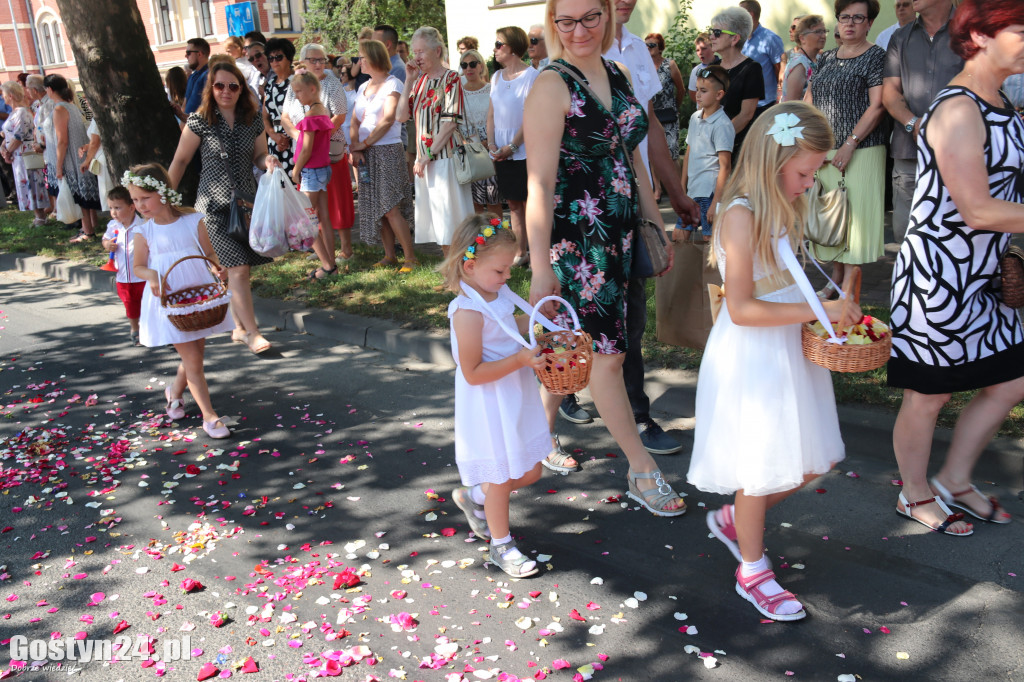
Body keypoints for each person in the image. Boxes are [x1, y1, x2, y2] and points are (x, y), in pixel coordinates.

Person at [688, 102, 856, 622]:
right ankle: (752, 570)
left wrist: (828, 307)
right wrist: (819, 308)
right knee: (762, 465)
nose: (809, 182)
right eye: (805, 171)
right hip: (755, 354)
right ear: (774, 157)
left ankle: (739, 519)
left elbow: (786, 276)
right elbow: (740, 308)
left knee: (812, 457)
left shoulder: (782, 204)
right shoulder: (740, 213)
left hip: (788, 342)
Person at [525, 0, 685, 514]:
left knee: (573, 349)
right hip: (576, 244)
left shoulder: (616, 72)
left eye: (590, 17)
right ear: (553, 25)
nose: (579, 30)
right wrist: (539, 265)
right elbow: (540, 184)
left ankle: (532, 438)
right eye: (566, 21)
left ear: (609, 17)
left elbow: (631, 156)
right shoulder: (552, 84)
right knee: (608, 358)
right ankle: (642, 471)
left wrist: (655, 225)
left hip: (618, 237)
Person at [888, 0, 1024, 536]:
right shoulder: (959, 108)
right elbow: (977, 209)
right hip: (939, 277)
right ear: (982, 35)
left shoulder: (1003, 103)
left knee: (1012, 381)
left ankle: (954, 479)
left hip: (985, 274)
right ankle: (913, 493)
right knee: (929, 394)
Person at [594, 0, 700, 458]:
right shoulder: (556, 72)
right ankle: (547, 422)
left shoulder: (634, 54)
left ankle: (636, 413)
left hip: (627, 206)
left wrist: (671, 197)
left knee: (630, 319)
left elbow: (647, 127)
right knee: (582, 322)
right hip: (580, 218)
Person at [444, 214, 549, 578]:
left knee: (532, 469)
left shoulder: (495, 293)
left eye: (509, 270)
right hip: (489, 403)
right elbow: (472, 373)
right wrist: (520, 358)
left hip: (513, 393)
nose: (508, 278)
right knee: (503, 476)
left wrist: (536, 320)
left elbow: (507, 326)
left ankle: (475, 497)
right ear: (470, 266)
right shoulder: (467, 311)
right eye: (501, 271)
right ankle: (501, 544)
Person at [168, 59, 276, 356]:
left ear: (242, 88)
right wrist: (165, 199)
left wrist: (266, 162)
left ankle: (239, 328)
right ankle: (252, 332)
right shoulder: (200, 120)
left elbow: (259, 155)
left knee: (237, 271)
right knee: (238, 269)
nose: (225, 91)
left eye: (232, 86)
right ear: (210, 88)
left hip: (245, 203)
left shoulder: (252, 119)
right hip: (213, 207)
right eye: (219, 85)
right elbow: (180, 161)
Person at [127, 163, 234, 440]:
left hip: (198, 300)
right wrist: (152, 275)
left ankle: (174, 392)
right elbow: (138, 266)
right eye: (135, 200)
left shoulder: (192, 220)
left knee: (195, 355)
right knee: (194, 360)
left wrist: (217, 269)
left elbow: (208, 253)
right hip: (170, 302)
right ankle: (210, 417)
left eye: (144, 198)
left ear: (163, 193)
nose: (139, 205)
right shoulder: (144, 232)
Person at [807, 0, 888, 298]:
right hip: (825, 150)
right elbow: (810, 100)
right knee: (832, 218)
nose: (850, 23)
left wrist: (850, 144)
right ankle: (835, 282)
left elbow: (878, 105)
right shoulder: (826, 58)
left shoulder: (877, 56)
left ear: (869, 23)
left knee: (856, 222)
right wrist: (808, 143)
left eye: (858, 17)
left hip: (863, 150)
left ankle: (849, 295)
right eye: (844, 17)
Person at [883, 0, 961, 243]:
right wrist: (914, 124)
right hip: (910, 152)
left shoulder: (971, 33)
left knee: (954, 234)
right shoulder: (900, 37)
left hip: (960, 153)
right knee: (906, 235)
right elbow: (890, 93)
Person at [397, 26, 474, 253]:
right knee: (438, 219)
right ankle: (452, 270)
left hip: (444, 158)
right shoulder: (419, 81)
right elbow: (401, 116)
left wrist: (427, 156)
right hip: (425, 161)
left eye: (421, 52)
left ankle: (460, 269)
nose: (416, 57)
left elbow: (450, 123)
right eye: (414, 52)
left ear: (437, 51)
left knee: (452, 217)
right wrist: (408, 81)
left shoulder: (451, 79)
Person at [283, 43, 355, 262]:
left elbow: (340, 116)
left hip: (325, 154)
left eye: (321, 60)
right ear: (303, 61)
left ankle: (341, 251)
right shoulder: (296, 85)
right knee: (321, 209)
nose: (318, 64)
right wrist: (300, 135)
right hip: (308, 150)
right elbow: (285, 116)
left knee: (322, 205)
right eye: (313, 60)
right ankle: (325, 252)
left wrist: (313, 138)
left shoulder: (331, 85)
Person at [349, 39, 417, 271]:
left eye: (362, 57)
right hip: (366, 152)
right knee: (378, 206)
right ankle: (390, 256)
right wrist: (355, 146)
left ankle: (410, 257)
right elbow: (355, 120)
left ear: (374, 58)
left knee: (390, 206)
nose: (359, 61)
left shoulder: (393, 84)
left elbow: (388, 120)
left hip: (387, 150)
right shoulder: (362, 87)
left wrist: (363, 143)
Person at [488, 26, 538, 266]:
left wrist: (513, 146)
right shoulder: (496, 77)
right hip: (501, 151)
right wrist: (491, 143)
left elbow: (532, 117)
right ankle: (520, 253)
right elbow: (491, 114)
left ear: (513, 48)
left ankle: (539, 255)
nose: (495, 49)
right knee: (514, 204)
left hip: (524, 149)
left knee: (531, 203)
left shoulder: (532, 76)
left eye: (499, 44)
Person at [290, 72, 338, 280]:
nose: (297, 96)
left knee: (305, 219)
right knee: (323, 218)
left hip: (311, 170)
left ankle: (328, 266)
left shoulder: (311, 117)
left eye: (299, 91)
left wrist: (295, 169)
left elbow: (307, 149)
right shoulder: (322, 112)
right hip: (321, 170)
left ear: (312, 89)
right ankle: (331, 262)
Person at [45, 74, 101, 242]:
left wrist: (59, 166)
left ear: (49, 89)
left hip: (70, 159)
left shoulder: (60, 109)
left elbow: (62, 140)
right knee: (80, 195)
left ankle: (88, 231)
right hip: (75, 156)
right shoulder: (70, 105)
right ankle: (88, 228)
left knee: (78, 195)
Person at [680, 66, 734, 241]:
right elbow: (689, 152)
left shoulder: (722, 124)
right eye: (697, 89)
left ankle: (716, 269)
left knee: (709, 242)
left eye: (703, 91)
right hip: (692, 191)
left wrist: (716, 203)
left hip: (709, 192)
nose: (697, 94)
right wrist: (682, 187)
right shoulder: (695, 117)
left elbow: (725, 166)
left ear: (719, 95)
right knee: (679, 236)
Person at [710, 7, 763, 156]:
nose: (711, 37)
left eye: (717, 33)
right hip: (710, 145)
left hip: (737, 146)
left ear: (735, 38)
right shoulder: (711, 68)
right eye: (711, 31)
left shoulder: (752, 69)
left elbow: (746, 114)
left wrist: (719, 139)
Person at [100, 186, 144, 345]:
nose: (113, 212)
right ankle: (135, 329)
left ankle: (152, 330)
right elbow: (105, 239)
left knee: (148, 304)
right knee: (130, 304)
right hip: (123, 276)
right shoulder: (113, 226)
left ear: (132, 207)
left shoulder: (142, 225)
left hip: (143, 275)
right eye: (111, 208)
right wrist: (107, 245)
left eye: (118, 208)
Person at [0, 81, 49, 225]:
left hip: (25, 154)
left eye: (3, 94)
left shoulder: (22, 112)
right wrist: (3, 147)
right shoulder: (14, 113)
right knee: (24, 183)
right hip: (16, 155)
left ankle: (41, 216)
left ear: (10, 95)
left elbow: (19, 136)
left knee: (31, 182)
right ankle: (37, 215)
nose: (3, 97)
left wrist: (7, 151)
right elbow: (8, 134)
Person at [461, 49, 502, 217]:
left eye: (472, 64)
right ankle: (478, 239)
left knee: (493, 199)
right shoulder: (457, 93)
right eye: (464, 65)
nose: (468, 68)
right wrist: (465, 143)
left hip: (489, 148)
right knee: (474, 203)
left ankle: (499, 238)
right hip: (466, 150)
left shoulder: (492, 89)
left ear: (480, 66)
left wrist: (488, 141)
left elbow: (499, 117)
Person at [646, 32, 685, 201]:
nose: (648, 48)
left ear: (660, 47)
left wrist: (675, 106)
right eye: (646, 45)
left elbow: (681, 89)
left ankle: (680, 189)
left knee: (672, 152)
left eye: (652, 45)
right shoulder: (643, 66)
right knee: (652, 152)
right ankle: (658, 189)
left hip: (668, 114)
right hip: (651, 114)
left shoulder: (670, 65)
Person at [739, 0, 784, 119]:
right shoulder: (739, 39)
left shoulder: (770, 38)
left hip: (765, 104)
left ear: (750, 14)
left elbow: (779, 70)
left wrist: (778, 99)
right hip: (743, 103)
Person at [262, 37, 296, 176]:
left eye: (279, 57)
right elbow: (264, 116)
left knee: (296, 187)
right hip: (275, 142)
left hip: (294, 139)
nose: (274, 62)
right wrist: (274, 135)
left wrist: (287, 137)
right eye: (271, 58)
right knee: (278, 186)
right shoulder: (269, 85)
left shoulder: (297, 81)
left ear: (289, 58)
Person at [781, 15, 826, 102]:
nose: (823, 36)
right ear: (802, 38)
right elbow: (792, 104)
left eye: (824, 31)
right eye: (818, 32)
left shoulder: (817, 58)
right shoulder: (799, 64)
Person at [225, 35, 263, 102]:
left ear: (238, 48)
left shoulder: (243, 62)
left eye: (229, 51)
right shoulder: (232, 63)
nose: (227, 54)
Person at [688, 33, 721, 103]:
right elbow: (692, 93)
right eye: (697, 50)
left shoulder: (723, 66)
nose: (700, 53)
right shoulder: (696, 70)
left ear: (713, 48)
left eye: (704, 49)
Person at [183, 38, 211, 115]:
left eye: (188, 53)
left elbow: (207, 106)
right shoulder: (192, 76)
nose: (186, 56)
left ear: (199, 54)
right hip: (188, 124)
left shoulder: (209, 75)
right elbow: (185, 104)